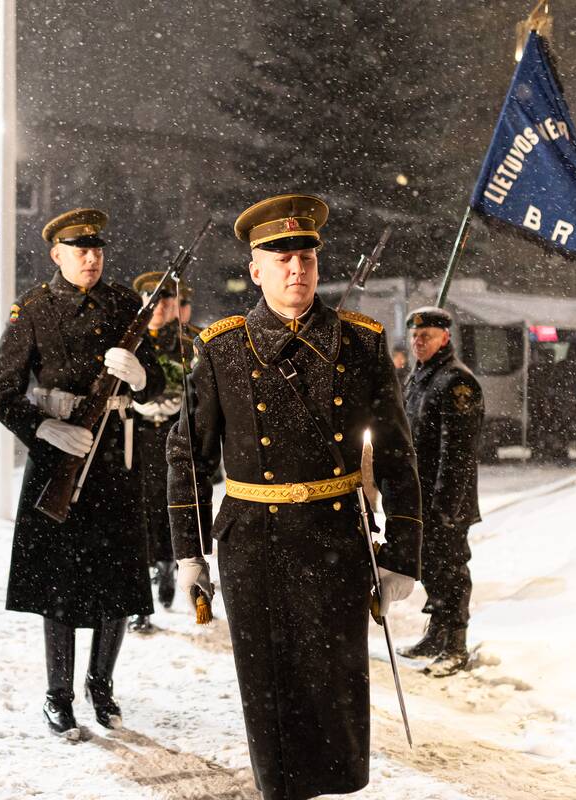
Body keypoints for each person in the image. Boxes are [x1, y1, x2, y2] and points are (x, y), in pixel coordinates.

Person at [167, 194, 422, 798]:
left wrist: (401, 555)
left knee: (335, 693)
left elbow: (396, 454)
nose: (296, 269)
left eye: (306, 256)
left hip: (337, 541)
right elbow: (188, 454)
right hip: (254, 545)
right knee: (271, 696)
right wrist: (188, 552)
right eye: (280, 259)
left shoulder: (360, 343)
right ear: (256, 270)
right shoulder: (222, 346)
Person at [0, 208, 164, 737]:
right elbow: (0, 392)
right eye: (79, 249)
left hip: (115, 456)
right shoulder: (34, 309)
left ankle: (101, 686)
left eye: (98, 249)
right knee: (58, 583)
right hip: (58, 456)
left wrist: (139, 377)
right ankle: (58, 694)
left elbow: (153, 383)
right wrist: (42, 427)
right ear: (56, 255)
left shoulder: (125, 304)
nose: (91, 258)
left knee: (118, 580)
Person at [398, 307, 485, 677]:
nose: (419, 342)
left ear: (445, 338)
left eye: (427, 336)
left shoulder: (456, 382)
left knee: (451, 570)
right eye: (416, 337)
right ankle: (436, 635)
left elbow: (459, 454)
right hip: (421, 498)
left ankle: (456, 644)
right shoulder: (419, 378)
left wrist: (445, 505)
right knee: (431, 568)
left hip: (444, 500)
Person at [128, 271, 188, 634]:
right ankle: (141, 601)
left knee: (169, 510)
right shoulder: (131, 342)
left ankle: (167, 564)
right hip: (137, 439)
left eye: (163, 302)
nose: (157, 308)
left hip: (172, 438)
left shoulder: (185, 344)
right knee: (138, 516)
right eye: (151, 301)